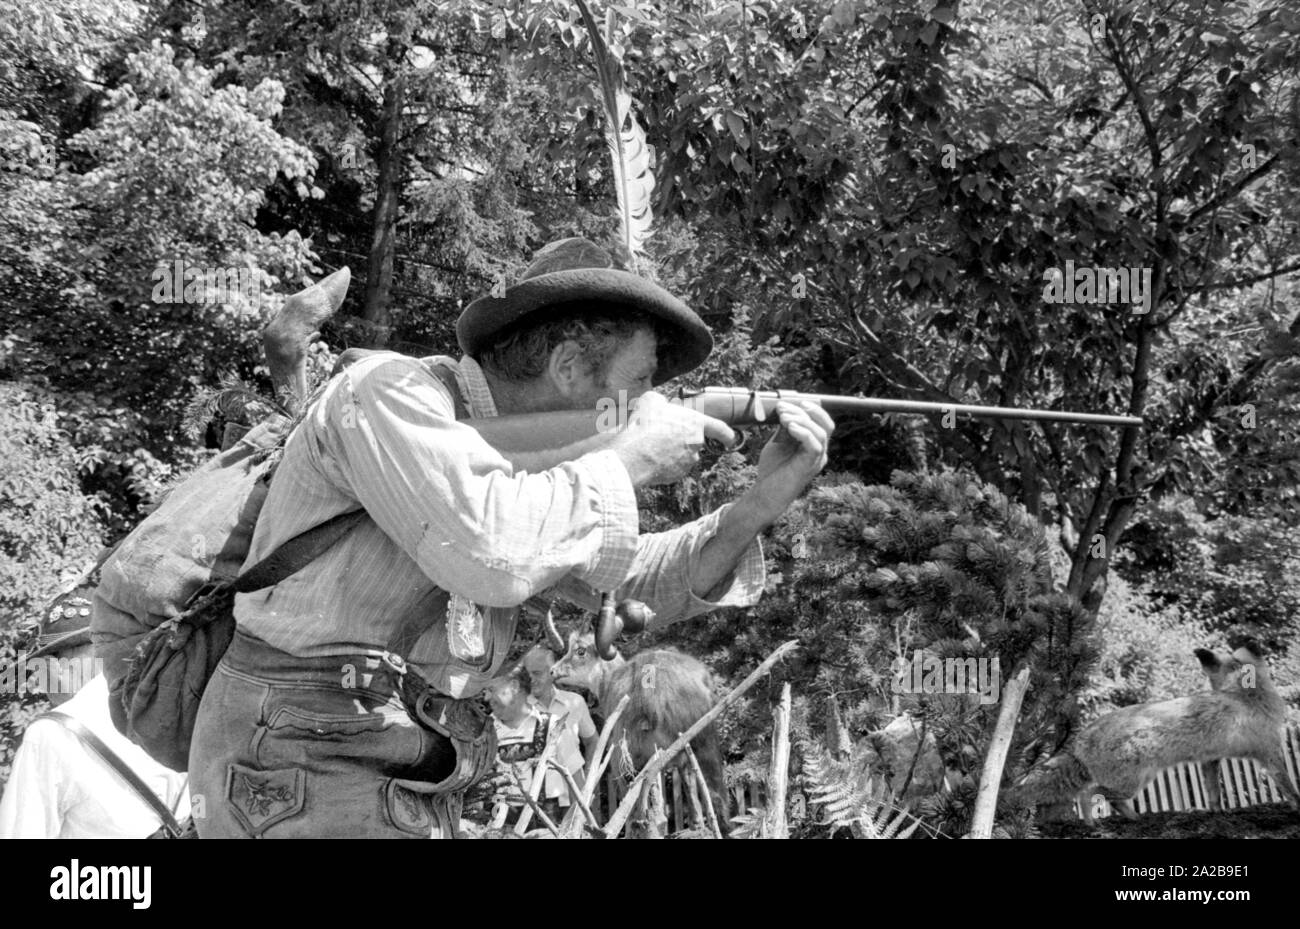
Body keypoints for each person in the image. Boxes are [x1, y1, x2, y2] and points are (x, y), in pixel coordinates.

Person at [187, 235, 833, 838]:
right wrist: (628, 458)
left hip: (407, 773)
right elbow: (488, 551)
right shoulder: (386, 393)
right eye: (637, 383)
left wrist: (758, 502)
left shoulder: (544, 480)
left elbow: (637, 581)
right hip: (296, 762)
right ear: (571, 365)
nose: (645, 406)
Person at [0, 588, 190, 838]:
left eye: (39, 670)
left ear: (56, 664)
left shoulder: (50, 733)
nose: (40, 685)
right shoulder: (166, 704)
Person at [523, 645, 596, 816]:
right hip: (529, 803)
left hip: (572, 797)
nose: (531, 679)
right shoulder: (518, 708)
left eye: (537, 673)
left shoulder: (575, 702)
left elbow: (592, 741)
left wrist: (587, 780)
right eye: (528, 674)